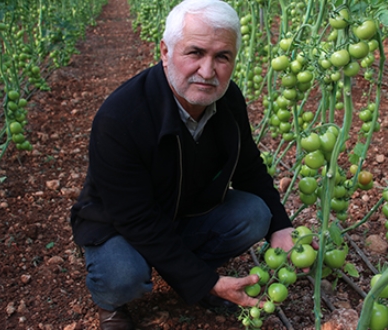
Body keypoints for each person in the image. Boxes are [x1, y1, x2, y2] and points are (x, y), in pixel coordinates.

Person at [69, 0, 298, 329]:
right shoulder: (120, 117)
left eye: (222, 57)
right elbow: (135, 219)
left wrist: (280, 226)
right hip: (120, 228)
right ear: (165, 51)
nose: (208, 71)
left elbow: (249, 167)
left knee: (256, 214)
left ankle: (186, 274)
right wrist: (207, 282)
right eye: (195, 53)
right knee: (123, 276)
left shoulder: (228, 100)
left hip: (182, 214)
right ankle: (110, 303)